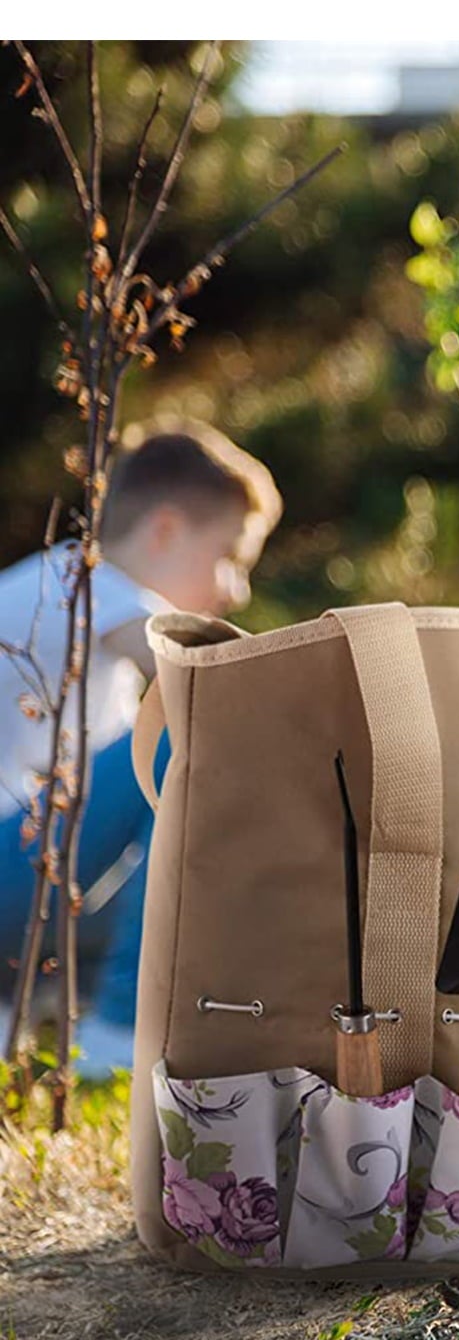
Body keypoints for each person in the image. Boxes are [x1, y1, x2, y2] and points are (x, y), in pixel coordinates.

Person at [0, 417, 282, 1076]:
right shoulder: (85, 580)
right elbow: (212, 679)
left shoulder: (72, 596)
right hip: (11, 869)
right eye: (231, 557)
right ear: (165, 531)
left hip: (26, 879)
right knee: (186, 737)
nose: (236, 588)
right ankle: (117, 1027)